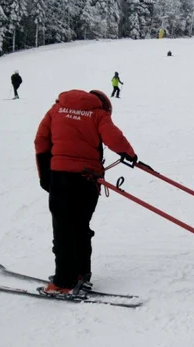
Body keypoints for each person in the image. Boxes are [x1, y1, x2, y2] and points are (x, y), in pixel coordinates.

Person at [34, 89, 138, 295]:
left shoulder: (56, 110)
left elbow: (41, 141)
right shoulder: (98, 114)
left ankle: (63, 282)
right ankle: (81, 273)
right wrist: (129, 154)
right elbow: (114, 137)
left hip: (61, 177)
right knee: (80, 225)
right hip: (88, 179)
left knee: (63, 228)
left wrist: (45, 177)